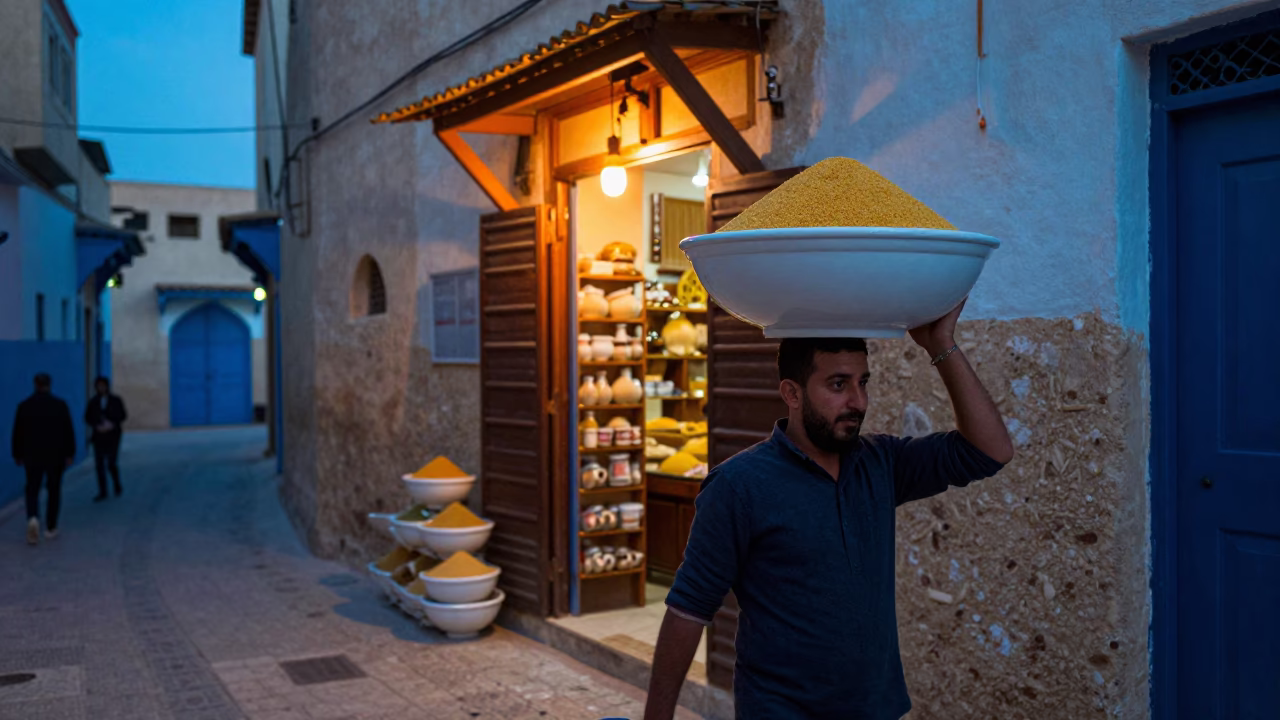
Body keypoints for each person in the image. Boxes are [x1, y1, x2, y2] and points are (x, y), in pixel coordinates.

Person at [644, 300, 1015, 720]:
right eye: (838, 385)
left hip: (877, 709)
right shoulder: (738, 486)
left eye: (863, 382)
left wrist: (941, 346)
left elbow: (991, 451)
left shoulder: (881, 462)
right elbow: (688, 610)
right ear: (793, 393)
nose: (858, 400)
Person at [11, 373, 77, 545]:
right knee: (54, 489)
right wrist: (70, 453)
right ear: (49, 384)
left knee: (32, 487)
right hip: (55, 455)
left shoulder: (24, 406)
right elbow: (68, 430)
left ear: (35, 384)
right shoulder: (60, 405)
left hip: (32, 455)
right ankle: (51, 527)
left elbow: (17, 432)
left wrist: (17, 454)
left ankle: (33, 517)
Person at [84, 375, 127, 500]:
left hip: (113, 436)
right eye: (98, 386)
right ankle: (103, 491)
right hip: (99, 436)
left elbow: (123, 415)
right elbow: (87, 417)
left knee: (111, 463)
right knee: (99, 464)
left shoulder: (116, 400)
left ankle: (117, 484)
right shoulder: (93, 402)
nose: (101, 388)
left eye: (103, 386)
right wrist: (96, 425)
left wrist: (112, 424)